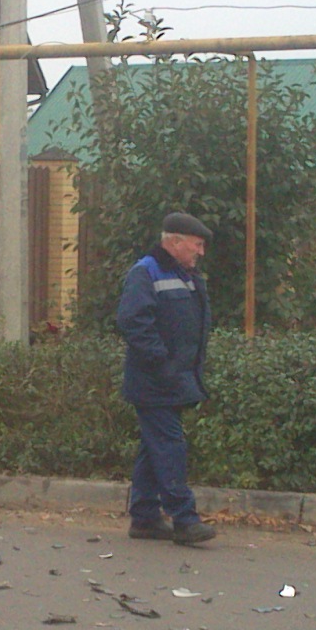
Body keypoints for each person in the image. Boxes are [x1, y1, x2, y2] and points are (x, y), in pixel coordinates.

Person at [116, 211, 216, 545]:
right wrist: (162, 363)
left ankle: (144, 518)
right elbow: (133, 322)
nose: (200, 252)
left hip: (173, 378)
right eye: (196, 245)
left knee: (154, 445)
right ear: (173, 242)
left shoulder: (186, 275)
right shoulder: (146, 272)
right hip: (154, 380)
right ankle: (185, 519)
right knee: (170, 446)